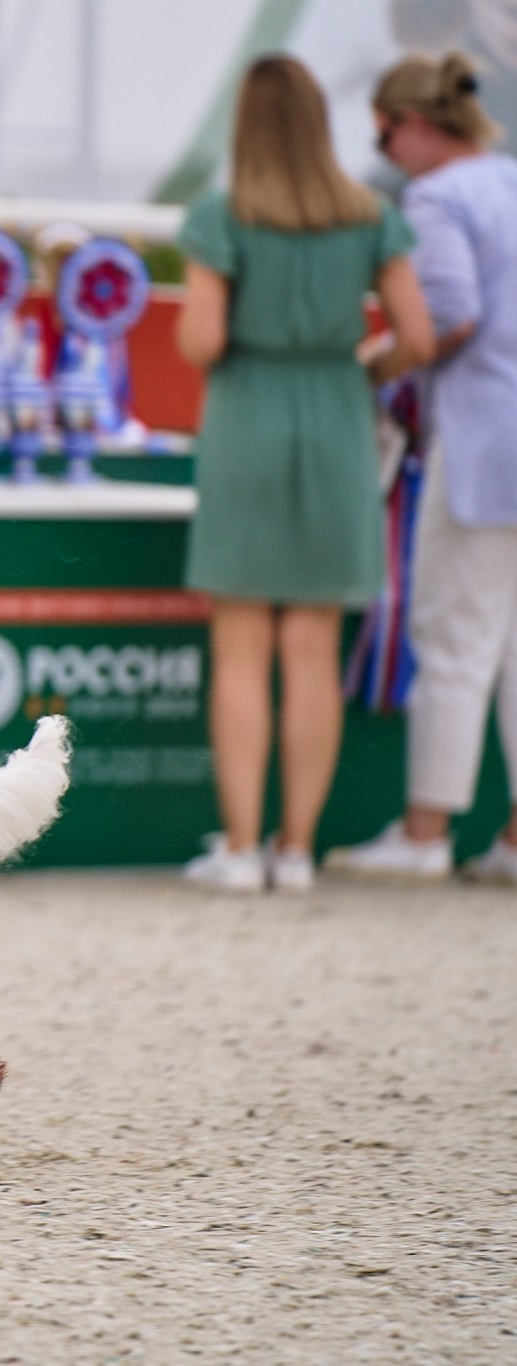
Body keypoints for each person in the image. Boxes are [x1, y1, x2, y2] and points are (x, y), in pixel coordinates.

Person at [174, 54, 433, 893]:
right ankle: (296, 849)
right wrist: (360, 365)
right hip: (335, 422)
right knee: (313, 648)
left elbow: (203, 342)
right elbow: (419, 338)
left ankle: (241, 850)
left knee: (243, 645)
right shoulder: (369, 215)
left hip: (248, 417)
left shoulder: (222, 216)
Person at [327, 53, 517, 884]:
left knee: (455, 638)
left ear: (417, 124)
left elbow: (449, 315)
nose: (383, 148)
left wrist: (376, 363)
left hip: (481, 442)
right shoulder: (511, 181)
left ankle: (426, 829)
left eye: (384, 130)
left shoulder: (437, 198)